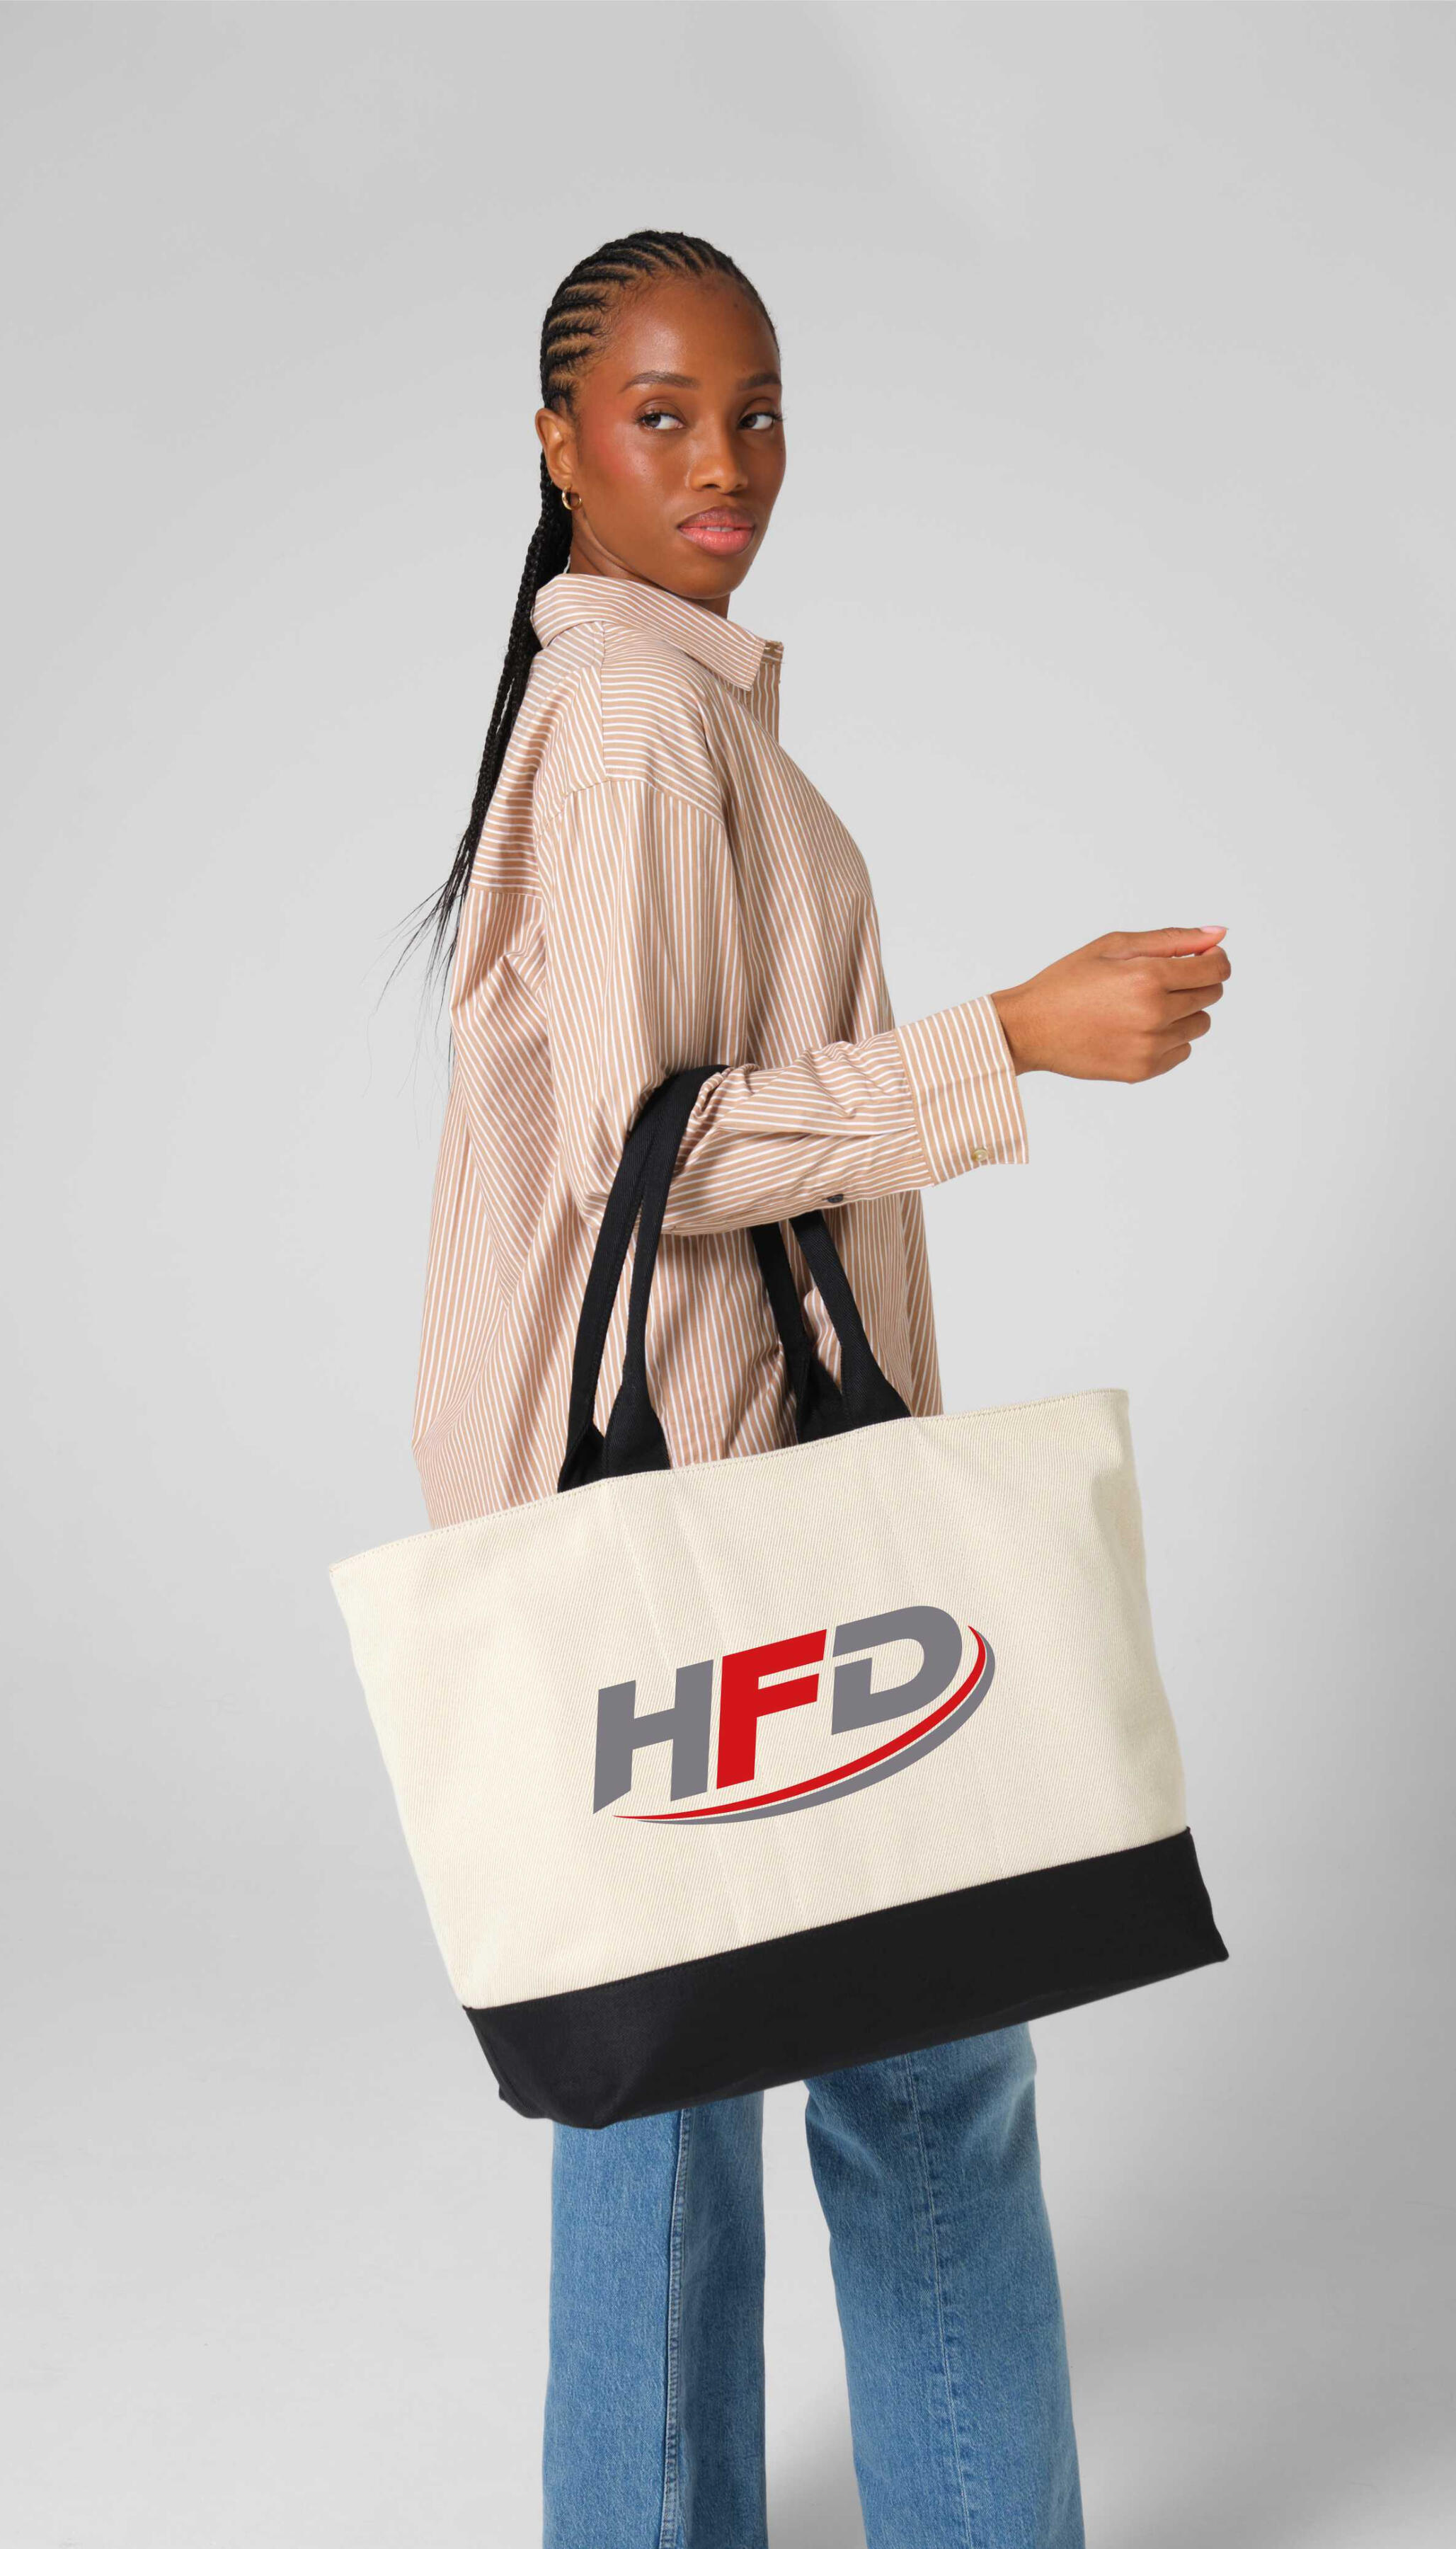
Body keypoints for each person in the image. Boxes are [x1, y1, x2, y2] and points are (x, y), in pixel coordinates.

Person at [404, 229, 1229, 2549]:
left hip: (734, 1509)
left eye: (756, 410)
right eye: (662, 415)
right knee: (814, 2080)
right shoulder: (634, 720)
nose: (726, 462)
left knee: (737, 2079)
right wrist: (1010, 1040)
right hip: (712, 1512)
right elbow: (649, 1155)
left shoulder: (664, 700)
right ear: (556, 443)